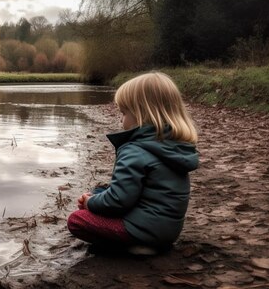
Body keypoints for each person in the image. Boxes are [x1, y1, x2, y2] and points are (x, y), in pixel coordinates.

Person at [67, 72, 199, 255]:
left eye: (123, 113)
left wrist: (90, 203)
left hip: (143, 230)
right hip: (168, 231)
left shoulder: (134, 150)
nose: (121, 120)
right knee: (99, 190)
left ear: (141, 114)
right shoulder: (174, 146)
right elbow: (137, 192)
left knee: (77, 220)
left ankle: (131, 246)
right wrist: (97, 195)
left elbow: (117, 201)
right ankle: (146, 243)